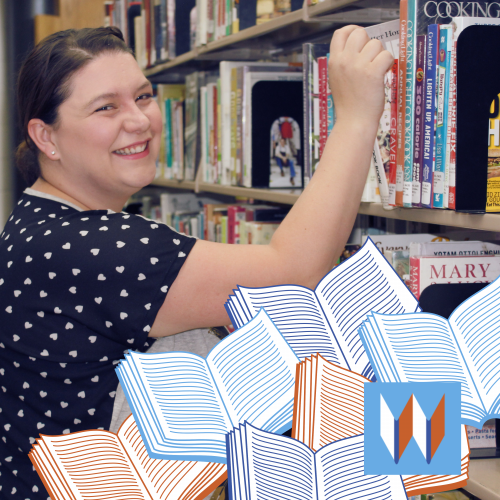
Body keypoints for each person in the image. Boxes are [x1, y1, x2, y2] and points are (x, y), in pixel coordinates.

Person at [0, 25, 392, 498]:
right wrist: (355, 114)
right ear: (46, 137)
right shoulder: (92, 247)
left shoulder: (37, 222)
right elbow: (294, 273)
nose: (140, 120)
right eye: (106, 107)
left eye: (143, 97)